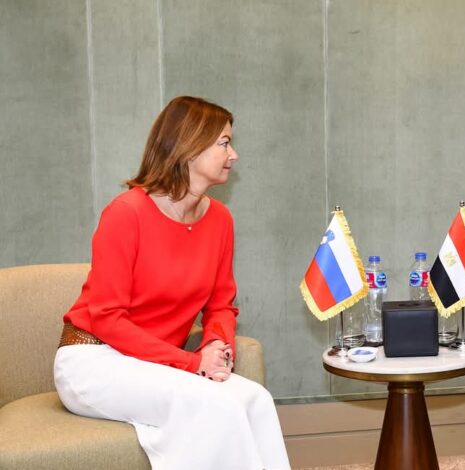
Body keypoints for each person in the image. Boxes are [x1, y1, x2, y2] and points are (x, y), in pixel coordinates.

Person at [54, 96, 291, 470]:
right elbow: (107, 317)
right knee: (217, 405)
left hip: (159, 364)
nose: (234, 155)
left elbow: (221, 306)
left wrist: (216, 345)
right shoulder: (126, 213)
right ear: (189, 147)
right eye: (224, 143)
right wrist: (191, 361)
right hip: (93, 360)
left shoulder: (220, 220)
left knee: (256, 400)